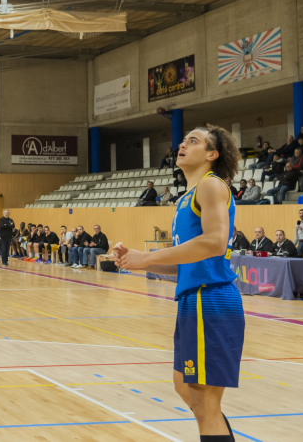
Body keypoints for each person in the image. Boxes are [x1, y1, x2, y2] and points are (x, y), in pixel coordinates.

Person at [115, 124, 244, 442]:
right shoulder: (187, 197)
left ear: (212, 154)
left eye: (194, 141)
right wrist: (138, 261)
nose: (183, 145)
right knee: (185, 387)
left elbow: (214, 242)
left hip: (211, 299)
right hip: (193, 298)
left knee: (204, 401)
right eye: (184, 140)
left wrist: (147, 257)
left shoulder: (211, 186)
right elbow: (188, 261)